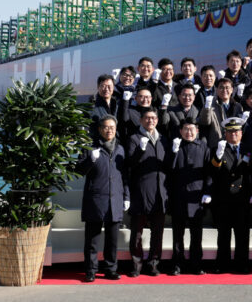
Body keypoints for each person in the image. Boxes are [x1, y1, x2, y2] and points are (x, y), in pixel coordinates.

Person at [77, 115, 128, 282]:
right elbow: (79, 170)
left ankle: (110, 269)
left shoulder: (120, 149)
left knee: (112, 240)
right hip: (95, 199)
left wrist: (126, 196)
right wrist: (91, 160)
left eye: (112, 127)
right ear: (99, 129)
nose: (109, 130)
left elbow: (124, 176)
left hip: (115, 199)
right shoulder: (90, 147)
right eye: (106, 127)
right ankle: (90, 270)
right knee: (92, 240)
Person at [126, 107, 169, 277]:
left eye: (154, 118)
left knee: (157, 233)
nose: (151, 121)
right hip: (141, 192)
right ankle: (136, 264)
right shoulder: (134, 138)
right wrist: (140, 150)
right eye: (147, 118)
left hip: (160, 192)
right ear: (141, 120)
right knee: (137, 232)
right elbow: (130, 163)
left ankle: (153, 264)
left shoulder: (163, 139)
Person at [211, 117, 252, 274]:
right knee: (224, 234)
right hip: (224, 198)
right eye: (230, 132)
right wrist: (218, 156)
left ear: (241, 133)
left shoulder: (248, 149)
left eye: (236, 131)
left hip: (243, 198)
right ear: (225, 134)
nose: (233, 134)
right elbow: (213, 172)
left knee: (242, 234)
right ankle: (222, 264)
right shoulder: (219, 149)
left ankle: (242, 264)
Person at [167, 119, 212, 275]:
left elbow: (208, 173)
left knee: (196, 234)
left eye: (192, 129)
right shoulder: (175, 146)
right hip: (178, 196)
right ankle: (177, 264)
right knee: (177, 235)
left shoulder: (204, 147)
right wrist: (174, 152)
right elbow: (168, 170)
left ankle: (196, 264)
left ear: (197, 130)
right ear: (180, 131)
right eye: (185, 129)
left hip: (196, 197)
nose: (189, 132)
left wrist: (207, 191)